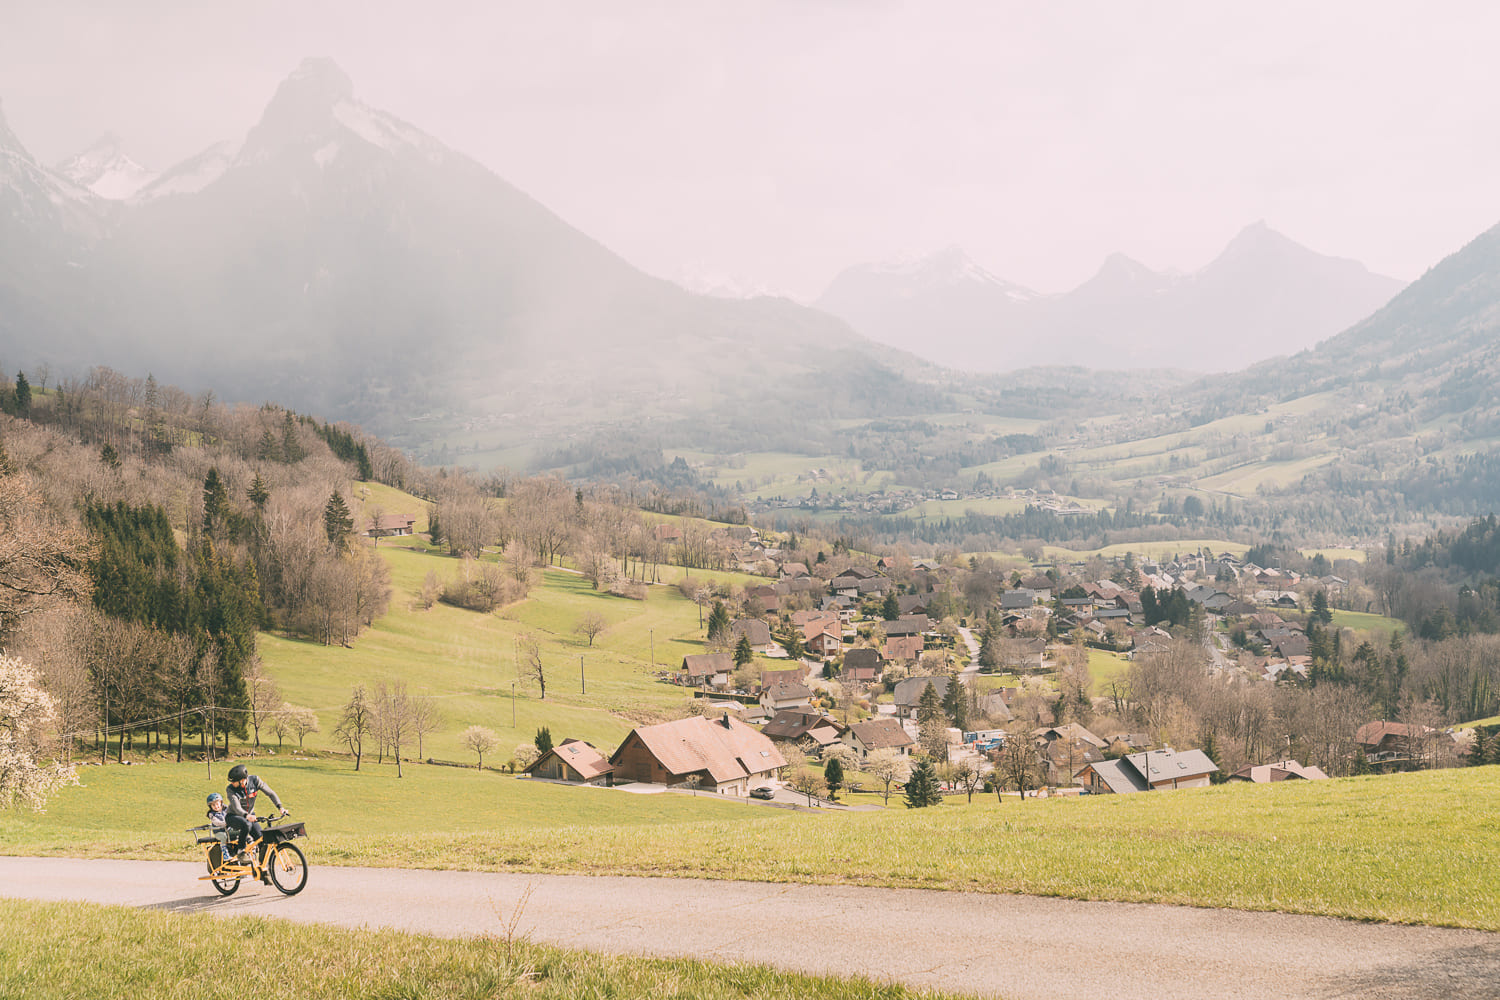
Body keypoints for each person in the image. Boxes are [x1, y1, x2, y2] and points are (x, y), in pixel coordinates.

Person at [224, 763, 287, 864]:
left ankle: (263, 870)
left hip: (249, 815)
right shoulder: (230, 789)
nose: (232, 784)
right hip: (233, 816)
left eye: (234, 782)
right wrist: (246, 816)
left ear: (242, 780)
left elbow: (270, 793)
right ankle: (241, 851)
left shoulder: (255, 781)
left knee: (263, 841)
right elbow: (236, 807)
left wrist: (280, 807)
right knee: (246, 824)